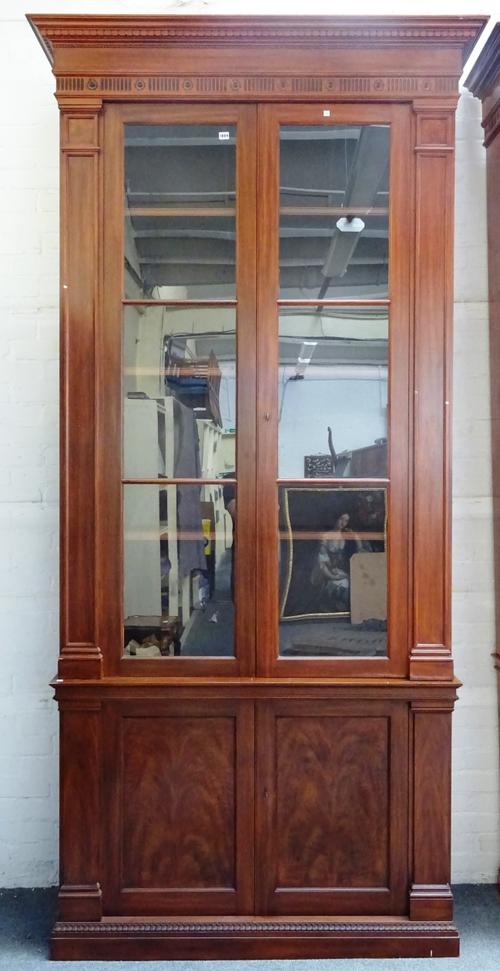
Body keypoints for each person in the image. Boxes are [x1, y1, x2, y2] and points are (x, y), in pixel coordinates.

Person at [310, 512, 358, 611]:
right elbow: (321, 558)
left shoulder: (345, 536)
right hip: (324, 570)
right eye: (341, 519)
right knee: (337, 585)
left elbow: (357, 551)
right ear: (335, 518)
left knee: (350, 585)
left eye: (346, 521)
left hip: (338, 569)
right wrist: (333, 575)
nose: (343, 523)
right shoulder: (326, 536)